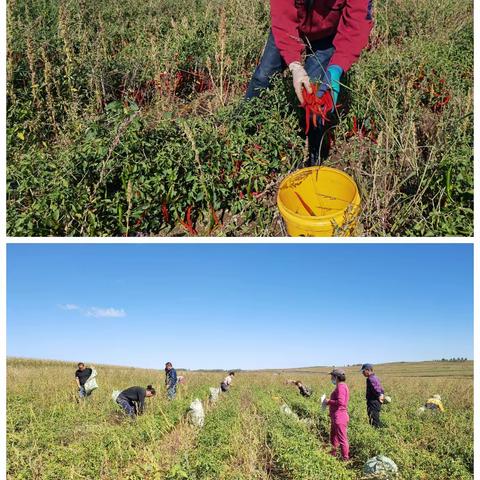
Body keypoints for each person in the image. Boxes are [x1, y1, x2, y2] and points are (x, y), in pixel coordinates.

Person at [245, 0, 373, 165]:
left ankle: (314, 159)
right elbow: (283, 18)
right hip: (290, 28)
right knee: (263, 76)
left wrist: (336, 68)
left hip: (327, 36)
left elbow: (357, 24)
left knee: (317, 98)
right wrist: (295, 65)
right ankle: (241, 128)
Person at [323, 368, 350, 460]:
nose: (331, 378)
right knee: (333, 437)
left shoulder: (341, 386)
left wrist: (328, 401)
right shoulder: (341, 386)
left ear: (336, 377)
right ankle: (332, 455)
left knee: (342, 439)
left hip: (340, 417)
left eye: (332, 376)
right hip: (336, 417)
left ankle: (345, 459)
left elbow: (341, 402)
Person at [361, 363, 384, 428]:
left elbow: (376, 388)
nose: (362, 373)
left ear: (368, 370)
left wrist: (379, 395)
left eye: (363, 371)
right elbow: (380, 388)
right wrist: (381, 394)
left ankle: (378, 433)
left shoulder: (370, 379)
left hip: (373, 402)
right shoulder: (375, 377)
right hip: (376, 402)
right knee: (375, 418)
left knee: (374, 420)